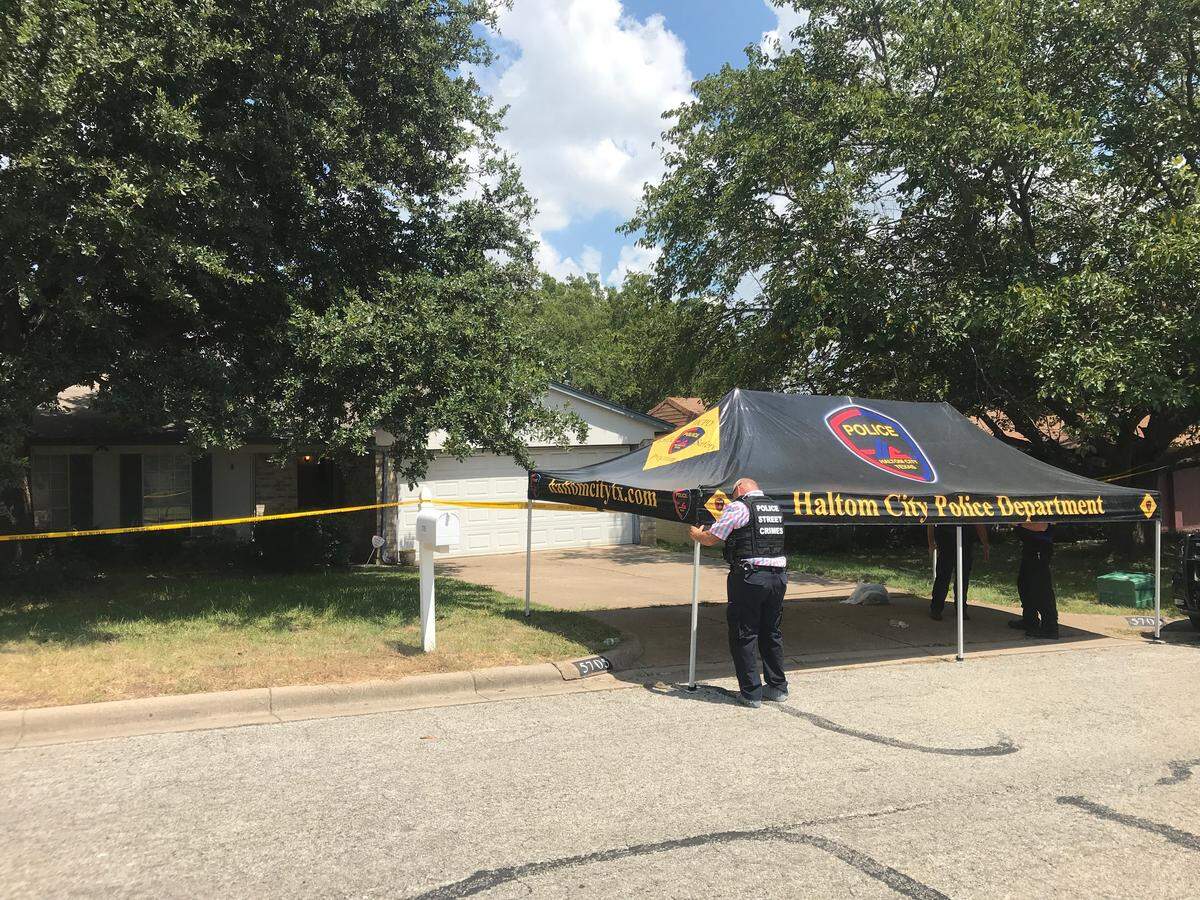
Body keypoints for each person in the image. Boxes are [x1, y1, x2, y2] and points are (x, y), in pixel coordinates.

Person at [689, 477, 788, 708]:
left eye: (733, 492)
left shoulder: (739, 506)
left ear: (740, 488)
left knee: (744, 633)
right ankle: (777, 687)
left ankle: (751, 693)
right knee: (771, 631)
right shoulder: (773, 506)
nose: (732, 497)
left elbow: (714, 537)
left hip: (750, 577)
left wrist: (697, 535)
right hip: (778, 577)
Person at [927, 524, 990, 621]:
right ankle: (939, 608)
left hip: (961, 536)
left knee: (957, 575)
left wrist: (985, 542)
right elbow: (977, 521)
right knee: (946, 575)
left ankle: (952, 609)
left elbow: (977, 520)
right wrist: (985, 542)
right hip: (949, 535)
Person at [1010, 522, 1058, 639]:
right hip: (1030, 546)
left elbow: (1041, 526)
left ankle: (1050, 627)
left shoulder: (1044, 506)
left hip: (1040, 546)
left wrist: (1017, 524)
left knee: (1041, 587)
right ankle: (1030, 620)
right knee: (1024, 584)